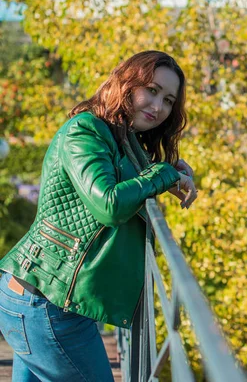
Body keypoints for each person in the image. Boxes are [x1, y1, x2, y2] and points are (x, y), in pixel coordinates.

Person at [0, 51, 197, 381]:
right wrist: (163, 174)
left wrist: (169, 171)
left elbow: (125, 178)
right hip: (46, 306)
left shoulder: (119, 138)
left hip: (51, 300)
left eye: (168, 100)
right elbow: (108, 204)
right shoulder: (85, 131)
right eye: (151, 89)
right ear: (126, 82)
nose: (159, 106)